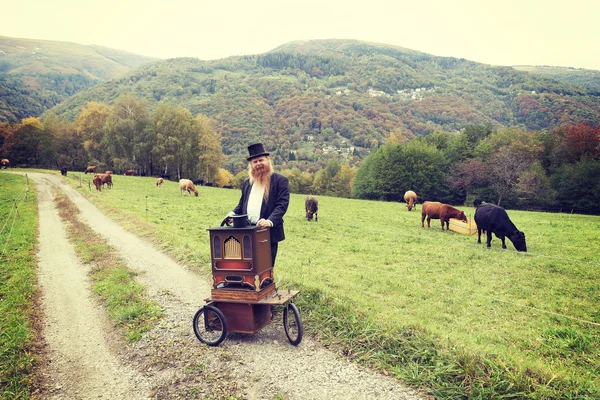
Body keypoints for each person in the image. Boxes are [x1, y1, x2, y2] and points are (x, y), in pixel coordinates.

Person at [227, 143, 290, 266]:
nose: (258, 164)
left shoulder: (280, 180)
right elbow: (241, 204)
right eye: (255, 162)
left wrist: (269, 221)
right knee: (247, 266)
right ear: (251, 165)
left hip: (267, 232)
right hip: (247, 232)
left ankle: (267, 284)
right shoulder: (247, 182)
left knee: (265, 267)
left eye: (261, 160)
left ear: (268, 160)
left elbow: (282, 205)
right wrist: (232, 214)